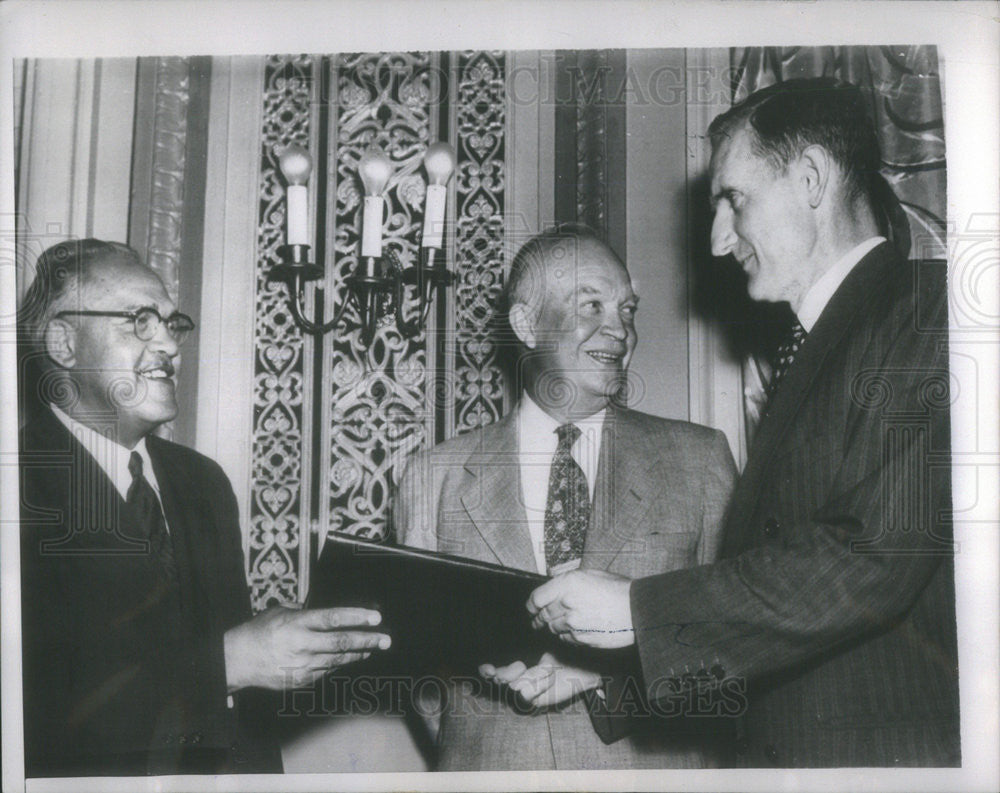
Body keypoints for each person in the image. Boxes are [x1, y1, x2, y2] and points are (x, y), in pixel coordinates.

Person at [528, 79, 958, 767]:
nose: (719, 240)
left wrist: (637, 611)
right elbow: (790, 628)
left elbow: (869, 561)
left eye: (733, 200)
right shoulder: (823, 345)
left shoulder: (931, 316)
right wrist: (618, 667)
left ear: (812, 178)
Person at [17, 239, 391, 777]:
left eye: (173, 323)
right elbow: (38, 711)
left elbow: (239, 713)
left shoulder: (203, 483)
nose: (169, 344)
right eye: (139, 320)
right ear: (64, 342)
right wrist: (231, 661)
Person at [394, 226, 737, 770]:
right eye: (591, 305)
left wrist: (610, 680)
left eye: (627, 309)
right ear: (527, 323)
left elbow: (737, 642)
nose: (619, 330)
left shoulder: (698, 461)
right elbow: (422, 674)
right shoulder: (433, 475)